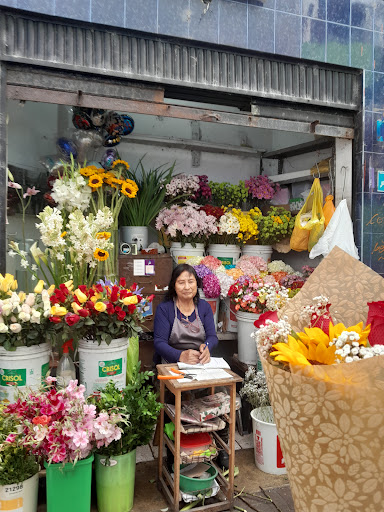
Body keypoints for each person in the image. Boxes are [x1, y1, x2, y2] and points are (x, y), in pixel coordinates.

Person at [154, 263, 218, 364]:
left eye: (191, 282)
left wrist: (207, 347)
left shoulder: (204, 307)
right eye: (181, 282)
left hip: (198, 362)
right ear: (174, 285)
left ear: (197, 284)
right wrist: (180, 355)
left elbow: (212, 337)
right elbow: (159, 343)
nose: (187, 287)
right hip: (172, 363)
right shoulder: (165, 309)